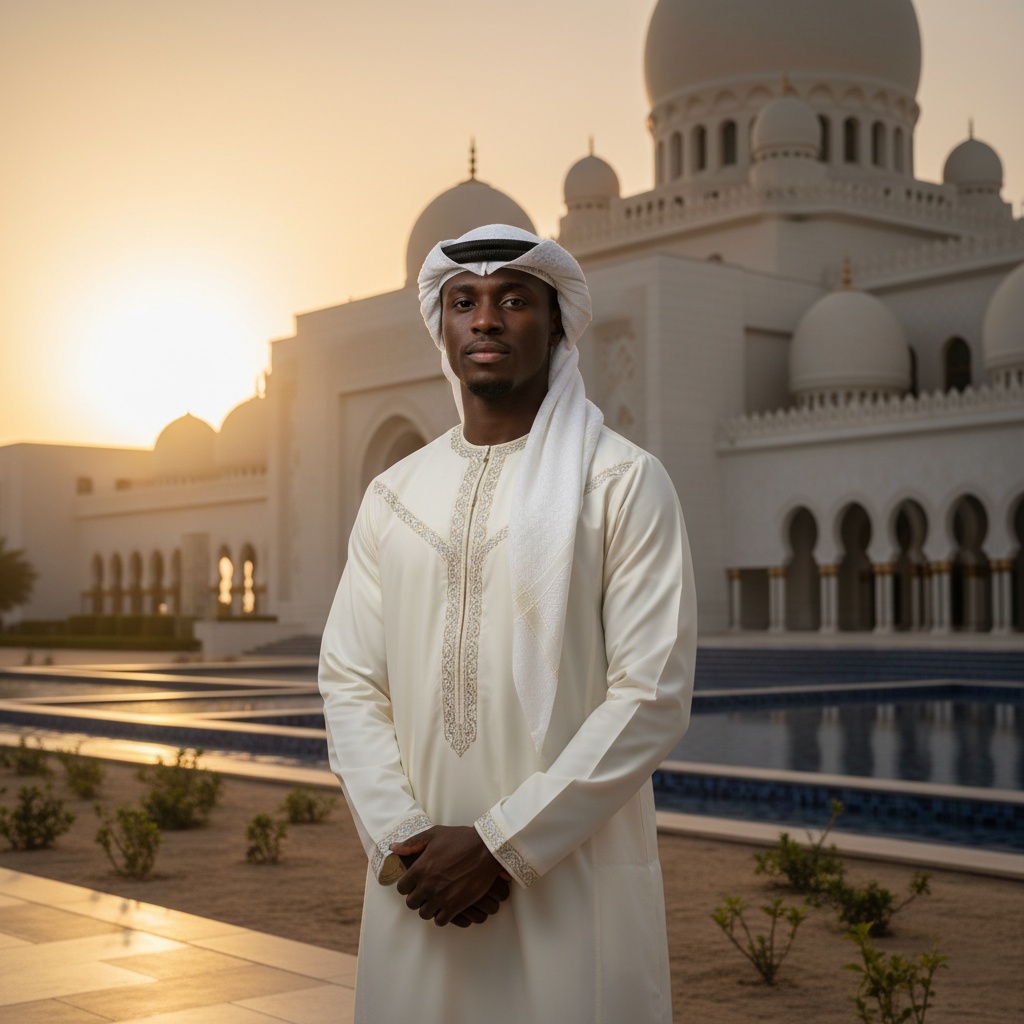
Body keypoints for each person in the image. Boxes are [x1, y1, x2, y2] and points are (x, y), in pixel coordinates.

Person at [319, 223, 697, 1023]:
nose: (485, 320)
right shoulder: (394, 496)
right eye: (465, 302)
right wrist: (405, 838)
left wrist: (499, 843)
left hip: (570, 883)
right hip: (417, 885)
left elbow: (652, 693)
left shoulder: (621, 483)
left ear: (556, 326)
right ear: (443, 327)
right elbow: (350, 680)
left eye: (513, 300)